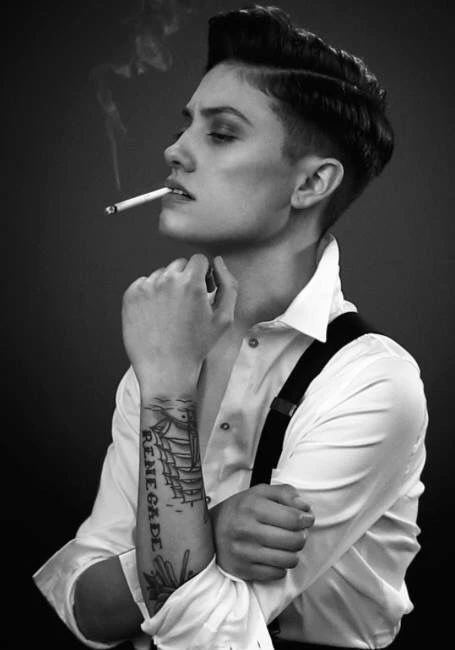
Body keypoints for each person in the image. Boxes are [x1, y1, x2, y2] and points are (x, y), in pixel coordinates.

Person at [33, 5, 428, 650]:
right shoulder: (171, 349)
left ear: (312, 182)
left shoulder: (372, 382)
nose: (174, 150)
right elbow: (84, 605)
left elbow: (212, 638)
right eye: (185, 125)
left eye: (220, 133)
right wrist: (211, 528)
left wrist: (167, 387)